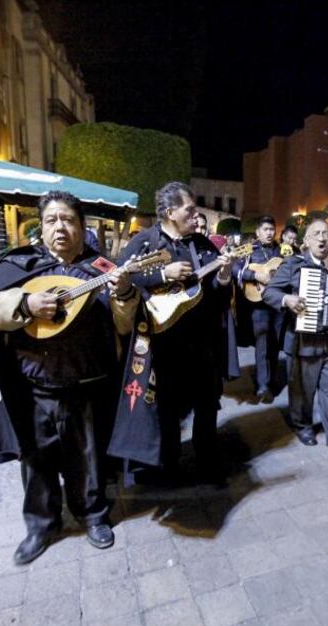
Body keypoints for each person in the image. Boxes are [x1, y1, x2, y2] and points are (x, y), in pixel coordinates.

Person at [0, 190, 138, 565]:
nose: (60, 227)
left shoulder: (103, 270)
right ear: (41, 228)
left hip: (88, 385)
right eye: (51, 220)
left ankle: (92, 515)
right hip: (34, 388)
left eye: (68, 220)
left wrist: (125, 293)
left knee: (88, 460)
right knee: (36, 463)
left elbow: (126, 325)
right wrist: (25, 304)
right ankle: (41, 526)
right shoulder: (20, 266)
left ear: (81, 226)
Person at [110, 182, 238, 485]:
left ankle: (207, 463)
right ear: (170, 212)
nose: (196, 216)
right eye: (189, 210)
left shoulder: (203, 245)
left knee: (207, 405)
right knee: (166, 410)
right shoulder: (143, 242)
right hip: (162, 345)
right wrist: (162, 274)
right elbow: (120, 280)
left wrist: (223, 274)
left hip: (202, 342)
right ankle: (169, 466)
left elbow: (219, 299)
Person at [262, 216, 328, 462]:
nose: (323, 238)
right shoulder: (294, 265)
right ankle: (303, 425)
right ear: (306, 241)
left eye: (326, 234)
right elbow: (270, 292)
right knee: (302, 393)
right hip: (303, 342)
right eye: (317, 234)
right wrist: (287, 300)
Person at [235, 216, 285, 402]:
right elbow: (235, 269)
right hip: (259, 304)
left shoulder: (281, 251)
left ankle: (271, 381)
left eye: (272, 229)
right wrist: (255, 274)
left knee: (275, 344)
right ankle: (263, 385)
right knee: (262, 343)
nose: (270, 232)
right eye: (265, 229)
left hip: (278, 304)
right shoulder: (249, 250)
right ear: (257, 232)